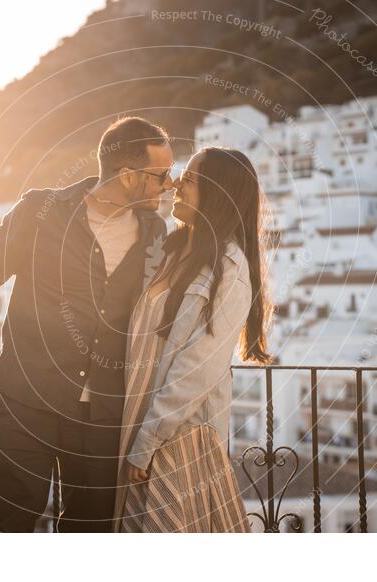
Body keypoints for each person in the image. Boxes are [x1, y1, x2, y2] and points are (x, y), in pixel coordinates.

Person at [0, 117, 171, 532]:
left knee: (89, 533)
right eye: (161, 175)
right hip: (26, 403)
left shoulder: (155, 232)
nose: (168, 184)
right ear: (128, 175)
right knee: (6, 526)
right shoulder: (40, 213)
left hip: (105, 416)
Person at [113, 147, 272, 533]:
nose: (177, 184)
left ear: (217, 194)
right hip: (141, 422)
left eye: (191, 179)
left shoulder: (230, 270)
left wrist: (147, 440)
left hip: (179, 438)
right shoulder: (171, 249)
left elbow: (196, 368)